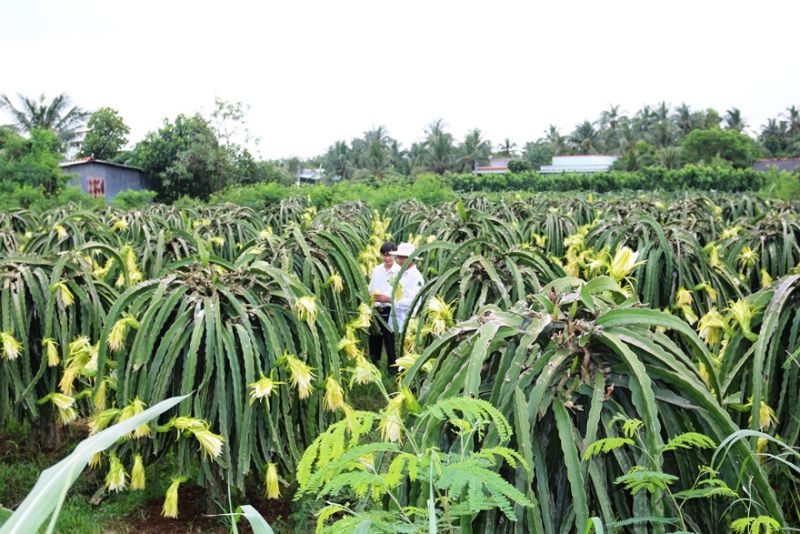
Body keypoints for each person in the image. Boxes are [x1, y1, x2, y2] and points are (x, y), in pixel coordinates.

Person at [368, 242, 399, 367]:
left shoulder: (399, 272)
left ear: (395, 255)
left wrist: (388, 299)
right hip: (376, 310)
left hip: (390, 311)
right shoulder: (377, 270)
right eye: (385, 255)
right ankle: (374, 365)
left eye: (391, 255)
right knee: (374, 339)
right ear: (382, 256)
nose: (388, 258)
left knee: (390, 341)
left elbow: (401, 295)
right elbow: (371, 288)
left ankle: (393, 369)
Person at [388, 242, 425, 344]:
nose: (398, 260)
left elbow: (413, 301)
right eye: (398, 257)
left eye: (401, 257)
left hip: (406, 326)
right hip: (394, 322)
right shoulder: (399, 273)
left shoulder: (416, 277)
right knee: (392, 356)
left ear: (409, 258)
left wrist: (391, 300)